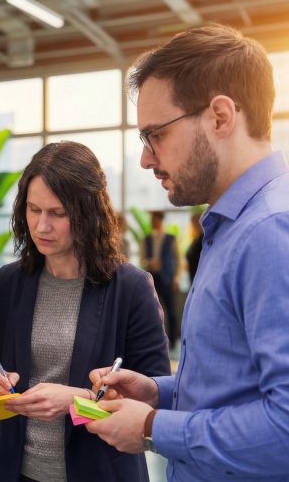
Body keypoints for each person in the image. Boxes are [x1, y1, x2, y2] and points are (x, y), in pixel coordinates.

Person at [86, 24, 289, 481]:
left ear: (220, 117)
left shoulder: (270, 231)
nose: (145, 159)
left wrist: (155, 428)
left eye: (154, 134)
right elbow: (236, 386)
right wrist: (158, 393)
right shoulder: (231, 228)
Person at [0, 141, 170, 482]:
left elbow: (155, 398)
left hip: (100, 470)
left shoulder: (130, 288)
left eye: (57, 213)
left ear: (88, 212)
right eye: (34, 210)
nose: (41, 226)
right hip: (14, 470)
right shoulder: (9, 281)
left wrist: (75, 402)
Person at [140, 210, 180, 349]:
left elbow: (177, 260)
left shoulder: (171, 238)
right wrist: (149, 263)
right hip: (152, 279)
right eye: (152, 221)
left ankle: (174, 342)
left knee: (171, 310)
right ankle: (155, 342)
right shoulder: (146, 239)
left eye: (156, 220)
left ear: (161, 221)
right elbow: (142, 260)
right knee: (153, 311)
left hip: (167, 278)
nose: (154, 223)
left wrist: (176, 278)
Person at [185, 211, 204, 283]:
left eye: (193, 223)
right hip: (193, 274)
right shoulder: (195, 239)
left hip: (198, 275)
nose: (191, 225)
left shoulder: (202, 239)